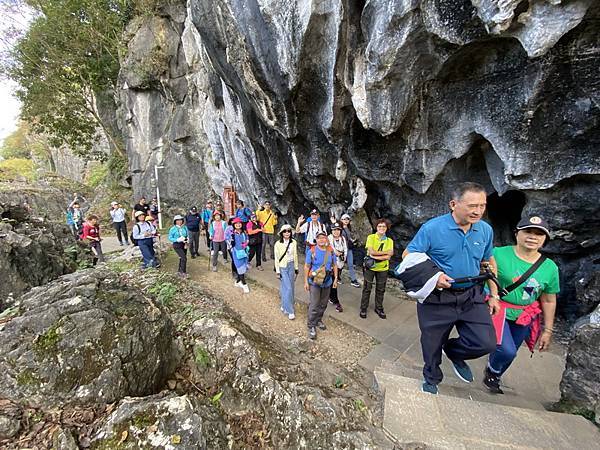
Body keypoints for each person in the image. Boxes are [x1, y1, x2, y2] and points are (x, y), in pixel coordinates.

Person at [403, 182, 500, 395]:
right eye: (472, 205)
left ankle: (455, 352)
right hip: (437, 297)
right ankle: (431, 378)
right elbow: (408, 256)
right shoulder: (432, 228)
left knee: (486, 342)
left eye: (482, 205)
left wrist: (494, 294)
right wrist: (434, 277)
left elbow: (488, 260)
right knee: (432, 342)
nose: (478, 211)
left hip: (472, 294)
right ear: (453, 204)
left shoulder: (485, 230)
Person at [483, 216, 559, 394]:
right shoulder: (498, 254)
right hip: (497, 307)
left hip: (524, 314)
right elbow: (484, 276)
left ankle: (495, 373)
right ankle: (492, 369)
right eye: (528, 232)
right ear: (517, 233)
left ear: (545, 240)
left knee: (512, 352)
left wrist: (547, 330)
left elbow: (548, 300)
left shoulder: (549, 267)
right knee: (506, 350)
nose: (533, 237)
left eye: (539, 234)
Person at [304, 230, 338, 340]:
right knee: (314, 304)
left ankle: (318, 319)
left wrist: (336, 278)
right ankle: (311, 325)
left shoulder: (331, 251)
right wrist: (305, 281)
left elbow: (335, 265)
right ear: (316, 240)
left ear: (326, 239)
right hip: (314, 282)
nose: (321, 240)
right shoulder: (312, 251)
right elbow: (307, 266)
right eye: (319, 238)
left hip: (327, 281)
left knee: (323, 304)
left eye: (323, 238)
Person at [360, 218, 394, 319]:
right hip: (370, 267)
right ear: (376, 227)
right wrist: (383, 253)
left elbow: (389, 256)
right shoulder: (371, 237)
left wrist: (375, 256)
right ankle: (363, 308)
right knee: (367, 288)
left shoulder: (390, 241)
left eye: (384, 226)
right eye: (379, 226)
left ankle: (379, 308)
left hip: (383, 268)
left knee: (381, 289)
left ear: (387, 228)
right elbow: (372, 251)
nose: (381, 228)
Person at [274, 224, 298, 320]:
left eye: (289, 231)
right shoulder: (277, 244)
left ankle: (284, 305)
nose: (287, 233)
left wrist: (296, 268)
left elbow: (295, 255)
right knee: (287, 288)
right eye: (285, 231)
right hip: (283, 266)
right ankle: (290, 310)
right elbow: (276, 258)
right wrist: (277, 271)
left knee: (290, 287)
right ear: (281, 233)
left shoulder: (294, 242)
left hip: (291, 265)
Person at [328, 222, 347, 312]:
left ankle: (330, 297)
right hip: (331, 264)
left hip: (340, 264)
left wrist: (343, 257)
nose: (336, 232)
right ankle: (336, 301)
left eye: (338, 230)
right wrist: (337, 253)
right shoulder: (329, 238)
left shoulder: (342, 239)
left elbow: (345, 249)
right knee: (333, 281)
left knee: (333, 281)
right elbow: (331, 248)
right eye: (334, 230)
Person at [340, 213, 361, 288]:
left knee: (350, 264)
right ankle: (337, 277)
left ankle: (353, 280)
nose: (346, 220)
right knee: (340, 264)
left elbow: (349, 238)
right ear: (341, 220)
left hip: (348, 249)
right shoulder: (339, 228)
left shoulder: (349, 228)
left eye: (347, 219)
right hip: (341, 249)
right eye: (344, 219)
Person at [230, 217, 250, 293]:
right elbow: (230, 243)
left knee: (243, 268)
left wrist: (246, 243)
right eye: (236, 223)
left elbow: (247, 239)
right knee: (240, 268)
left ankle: (237, 282)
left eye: (239, 223)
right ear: (234, 225)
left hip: (244, 253)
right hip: (236, 254)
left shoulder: (244, 232)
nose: (238, 225)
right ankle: (244, 284)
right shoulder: (232, 234)